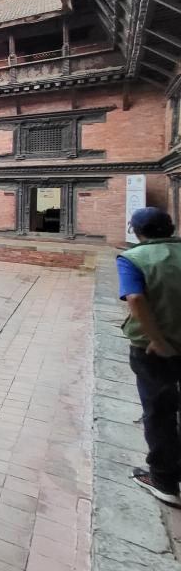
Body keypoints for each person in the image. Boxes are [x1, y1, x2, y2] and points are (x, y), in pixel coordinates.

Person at [117, 207, 181, 506]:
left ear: (135, 231)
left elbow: (135, 298)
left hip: (154, 348)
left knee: (158, 410)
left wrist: (156, 339)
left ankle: (165, 480)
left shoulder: (133, 258)